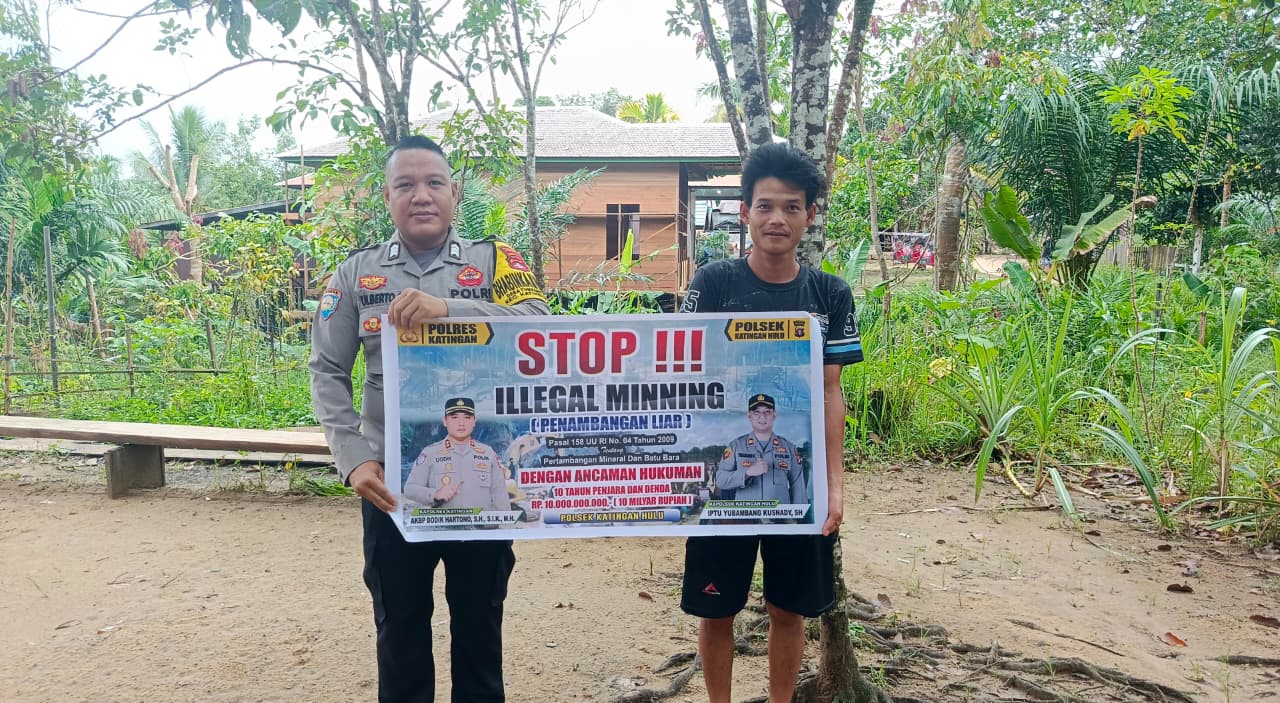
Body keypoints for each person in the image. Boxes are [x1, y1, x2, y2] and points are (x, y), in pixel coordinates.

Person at [309, 134, 549, 703]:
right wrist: (353, 460)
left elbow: (539, 320)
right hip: (393, 486)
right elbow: (326, 370)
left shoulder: (495, 261)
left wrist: (451, 310)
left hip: (483, 483)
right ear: (387, 197)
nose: (421, 195)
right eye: (405, 185)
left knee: (479, 628)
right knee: (400, 631)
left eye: (434, 183)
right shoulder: (354, 274)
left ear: (454, 192)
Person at [678, 142, 863, 703]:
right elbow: (684, 381)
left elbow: (831, 393)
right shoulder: (712, 285)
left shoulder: (828, 294)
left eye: (791, 206)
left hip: (795, 487)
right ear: (744, 213)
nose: (776, 218)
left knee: (789, 609)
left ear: (809, 215)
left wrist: (834, 483)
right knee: (717, 610)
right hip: (726, 488)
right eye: (764, 206)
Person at [403, 397, 510, 511]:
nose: (461, 423)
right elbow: (410, 489)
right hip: (445, 526)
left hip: (482, 526)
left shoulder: (488, 453)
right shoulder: (430, 453)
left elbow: (500, 495)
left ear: (474, 421)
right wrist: (434, 494)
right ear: (445, 421)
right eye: (454, 417)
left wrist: (506, 524)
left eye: (467, 417)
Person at [716, 393, 806, 505]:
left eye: (767, 412)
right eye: (756, 412)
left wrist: (800, 518)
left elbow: (799, 490)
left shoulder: (789, 448)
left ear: (774, 416)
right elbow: (720, 480)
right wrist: (747, 473)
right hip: (747, 518)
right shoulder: (736, 446)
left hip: (779, 518)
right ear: (749, 416)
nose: (762, 416)